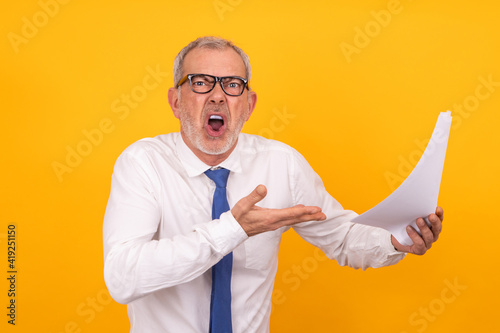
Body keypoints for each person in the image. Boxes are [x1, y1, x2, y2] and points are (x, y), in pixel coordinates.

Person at [103, 36, 444, 333]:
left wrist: (398, 239)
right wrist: (232, 230)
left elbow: (343, 237)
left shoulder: (280, 163)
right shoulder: (142, 163)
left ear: (248, 105)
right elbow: (123, 278)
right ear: (176, 101)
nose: (218, 96)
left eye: (232, 84)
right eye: (201, 82)